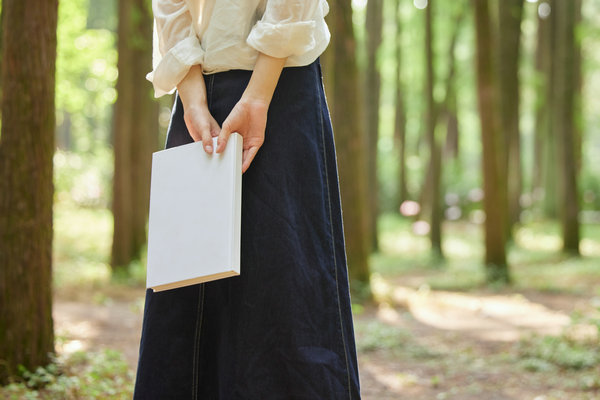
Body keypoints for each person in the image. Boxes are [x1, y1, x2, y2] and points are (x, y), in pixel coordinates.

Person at [133, 1, 361, 398]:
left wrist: (253, 98)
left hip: (276, 88)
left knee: (286, 288)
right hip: (201, 99)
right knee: (189, 289)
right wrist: (193, 100)